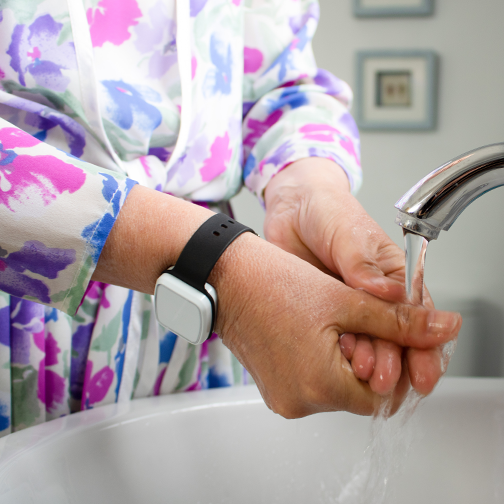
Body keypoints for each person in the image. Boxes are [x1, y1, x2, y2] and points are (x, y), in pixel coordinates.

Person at [0, 0, 460, 435]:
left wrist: (308, 190)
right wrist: (223, 265)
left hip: (193, 330)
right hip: (25, 315)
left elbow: (280, 85)